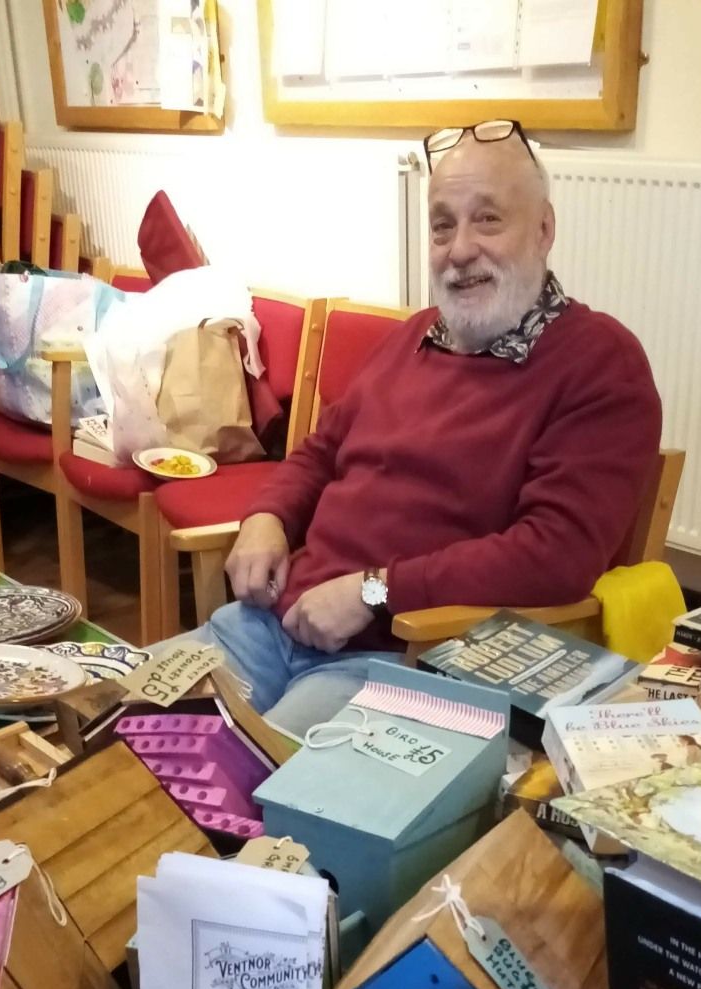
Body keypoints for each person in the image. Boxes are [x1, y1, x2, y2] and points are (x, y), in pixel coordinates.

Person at [201, 119, 663, 735]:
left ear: (544, 229)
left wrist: (374, 592)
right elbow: (321, 451)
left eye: (488, 219)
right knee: (121, 726)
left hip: (406, 660)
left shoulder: (600, 362)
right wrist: (268, 517)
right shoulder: (415, 336)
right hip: (269, 623)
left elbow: (556, 556)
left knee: (251, 782)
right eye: (443, 225)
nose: (460, 249)